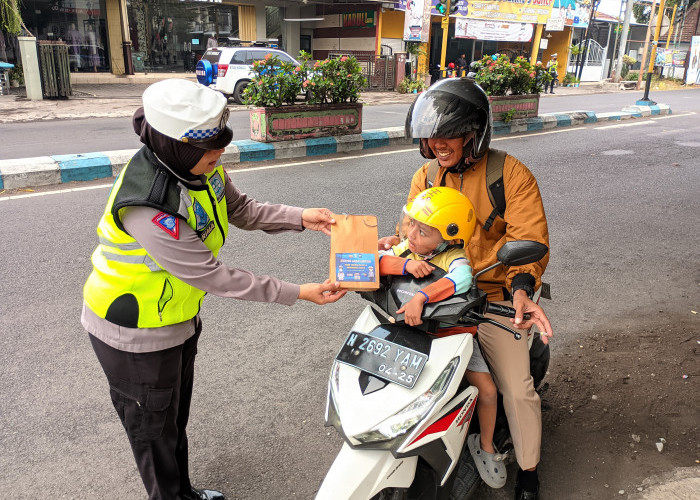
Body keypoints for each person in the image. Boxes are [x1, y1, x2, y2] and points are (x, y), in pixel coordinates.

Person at [81, 78, 346, 500]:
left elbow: (239, 208)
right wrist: (299, 291)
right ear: (180, 149)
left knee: (172, 422)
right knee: (153, 436)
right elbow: (213, 275)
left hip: (176, 321)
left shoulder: (197, 166)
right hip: (134, 336)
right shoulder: (149, 205)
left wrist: (300, 216)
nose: (220, 159)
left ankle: (183, 492)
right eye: (212, 153)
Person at [381, 78, 552, 500]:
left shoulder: (510, 174)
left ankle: (528, 473)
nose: (438, 143)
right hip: (435, 291)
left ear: (474, 134)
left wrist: (522, 289)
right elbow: (413, 229)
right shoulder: (425, 175)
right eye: (432, 136)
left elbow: (529, 238)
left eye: (449, 134)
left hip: (491, 296)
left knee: (516, 387)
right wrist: (393, 244)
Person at [380, 186, 507, 489]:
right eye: (411, 223)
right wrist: (405, 263)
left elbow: (462, 278)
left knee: (487, 391)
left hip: (452, 335)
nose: (411, 233)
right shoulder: (408, 249)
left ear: (448, 237)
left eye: (422, 230)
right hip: (410, 332)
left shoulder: (454, 256)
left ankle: (486, 445)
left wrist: (422, 297)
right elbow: (377, 260)